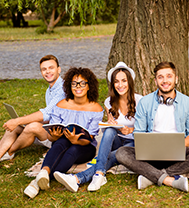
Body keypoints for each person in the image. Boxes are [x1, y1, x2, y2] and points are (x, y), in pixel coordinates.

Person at [115, 61, 189, 192]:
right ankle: (169, 179)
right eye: (160, 77)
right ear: (155, 81)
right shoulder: (145, 102)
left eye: (169, 76)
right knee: (122, 153)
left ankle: (151, 177)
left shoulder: (188, 103)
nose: (165, 80)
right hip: (150, 155)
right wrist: (147, 144)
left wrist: (180, 144)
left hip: (177, 154)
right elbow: (139, 132)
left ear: (176, 79)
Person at [0, 55, 65, 170]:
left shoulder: (62, 89)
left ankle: (7, 153)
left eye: (51, 68)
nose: (47, 72)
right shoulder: (50, 89)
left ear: (59, 69)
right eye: (44, 69)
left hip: (59, 136)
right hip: (49, 129)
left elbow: (46, 113)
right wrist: (24, 121)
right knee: (16, 127)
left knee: (32, 126)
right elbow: (50, 116)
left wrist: (18, 120)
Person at [54, 62, 143, 192]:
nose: (120, 85)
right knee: (110, 129)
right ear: (113, 84)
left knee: (113, 156)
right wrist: (111, 124)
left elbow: (147, 128)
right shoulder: (109, 101)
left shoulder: (140, 100)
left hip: (134, 142)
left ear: (130, 82)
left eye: (124, 80)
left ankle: (82, 178)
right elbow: (110, 124)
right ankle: (99, 174)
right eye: (116, 81)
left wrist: (131, 130)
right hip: (117, 140)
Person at [24, 67, 103, 199]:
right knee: (60, 142)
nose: (78, 86)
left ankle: (36, 182)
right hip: (62, 141)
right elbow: (51, 134)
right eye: (74, 83)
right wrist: (53, 136)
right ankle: (43, 173)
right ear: (69, 86)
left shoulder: (96, 108)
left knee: (73, 150)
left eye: (82, 83)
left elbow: (90, 138)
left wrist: (76, 140)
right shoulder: (61, 105)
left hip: (84, 146)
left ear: (89, 86)